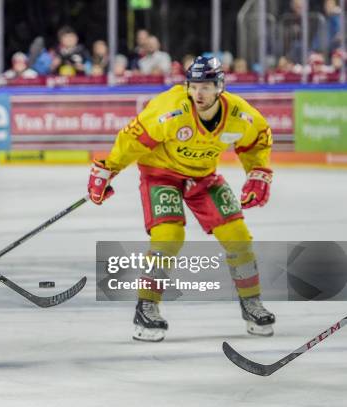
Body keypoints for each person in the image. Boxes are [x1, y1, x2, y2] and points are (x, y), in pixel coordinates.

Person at [87, 56, 275, 342]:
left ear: (220, 87)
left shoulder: (240, 114)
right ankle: (147, 305)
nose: (198, 93)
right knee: (168, 237)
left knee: (238, 236)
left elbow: (257, 139)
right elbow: (132, 139)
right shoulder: (171, 108)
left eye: (206, 87)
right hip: (160, 174)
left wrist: (258, 172)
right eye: (194, 86)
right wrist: (108, 168)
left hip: (203, 177)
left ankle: (251, 303)